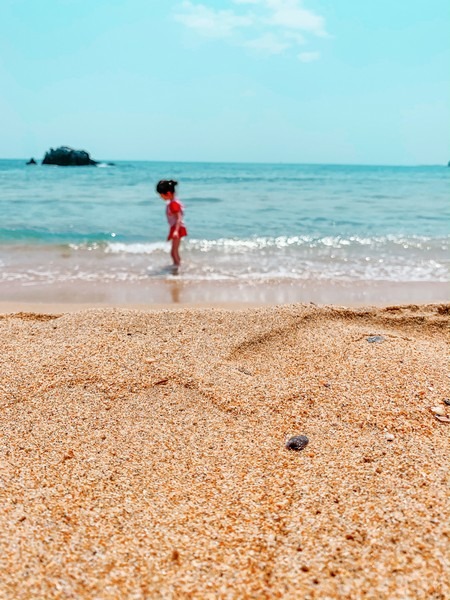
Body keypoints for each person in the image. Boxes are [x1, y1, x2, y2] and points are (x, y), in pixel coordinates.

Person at [156, 179, 187, 269]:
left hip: (177, 228)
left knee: (173, 252)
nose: (161, 197)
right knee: (174, 251)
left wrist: (176, 231)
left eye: (161, 195)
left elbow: (179, 218)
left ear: (168, 193)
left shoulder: (173, 204)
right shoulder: (172, 202)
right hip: (176, 228)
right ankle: (177, 266)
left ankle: (177, 267)